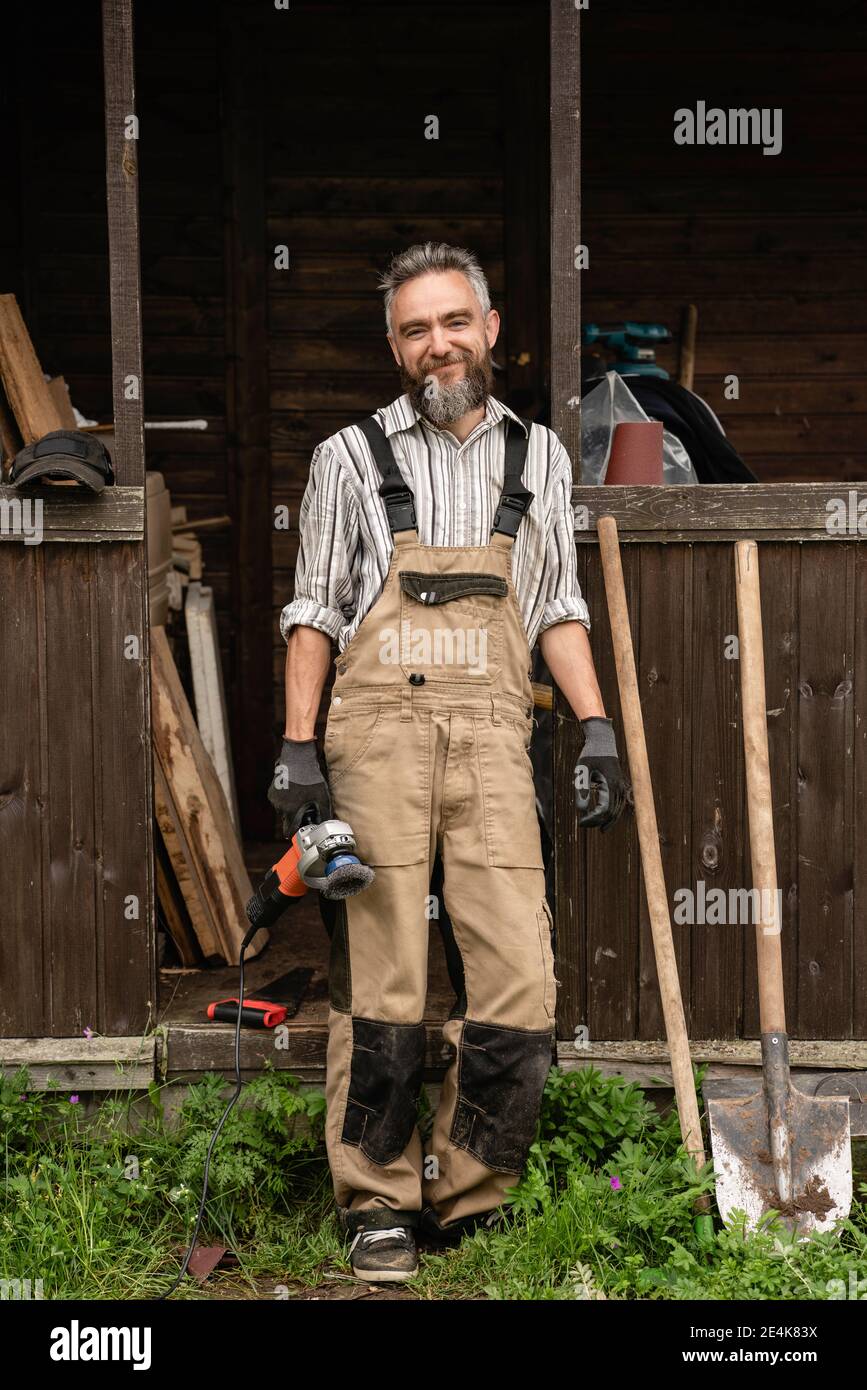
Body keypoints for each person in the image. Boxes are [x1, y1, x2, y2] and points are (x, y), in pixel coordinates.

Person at [272, 242, 628, 1282]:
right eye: (415, 329)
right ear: (395, 348)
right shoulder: (347, 458)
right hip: (376, 736)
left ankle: (472, 1191)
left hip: (494, 735)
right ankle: (378, 1200)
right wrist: (298, 747)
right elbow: (314, 612)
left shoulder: (540, 456)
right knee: (385, 973)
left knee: (516, 971)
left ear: (490, 328)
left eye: (454, 321)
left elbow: (555, 605)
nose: (439, 344)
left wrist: (596, 725)